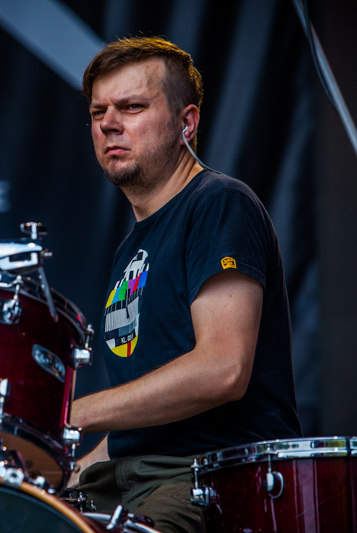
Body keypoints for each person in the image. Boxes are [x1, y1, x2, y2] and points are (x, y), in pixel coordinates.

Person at [68, 37, 302, 533]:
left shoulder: (219, 203)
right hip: (130, 478)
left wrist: (74, 411)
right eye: (98, 112)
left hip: (206, 478)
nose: (109, 123)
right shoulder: (131, 249)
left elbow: (223, 369)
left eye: (132, 107)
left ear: (186, 123)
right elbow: (141, 425)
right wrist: (60, 472)